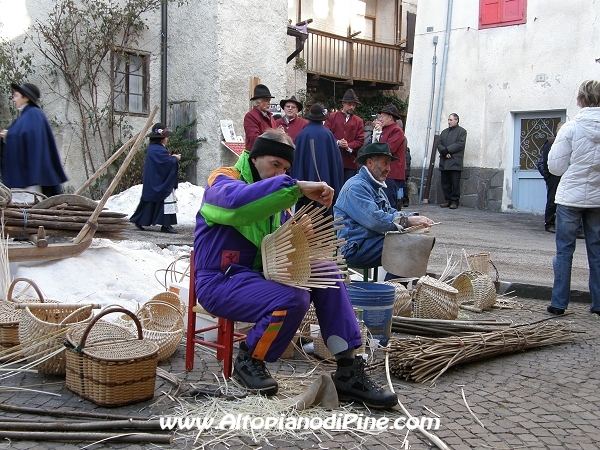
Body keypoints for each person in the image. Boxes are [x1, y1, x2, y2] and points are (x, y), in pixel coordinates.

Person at [193, 129, 398, 408]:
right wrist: (296, 187)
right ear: (255, 157)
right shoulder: (224, 179)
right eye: (275, 164)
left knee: (327, 271)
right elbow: (236, 207)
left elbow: (279, 245)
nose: (279, 173)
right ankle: (249, 359)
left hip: (258, 277)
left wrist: (300, 233)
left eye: (286, 168)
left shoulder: (280, 199)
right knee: (292, 298)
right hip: (219, 281)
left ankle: (348, 369)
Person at [334, 142, 434, 277]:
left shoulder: (375, 187)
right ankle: (394, 292)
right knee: (406, 246)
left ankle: (396, 292)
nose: (388, 168)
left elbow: (390, 212)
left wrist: (414, 217)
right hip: (355, 248)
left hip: (370, 243)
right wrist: (408, 220)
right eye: (384, 163)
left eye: (388, 164)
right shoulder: (356, 187)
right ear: (369, 163)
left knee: (419, 241)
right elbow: (375, 220)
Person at [546, 80, 600, 316]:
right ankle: (598, 304)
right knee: (597, 252)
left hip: (570, 197)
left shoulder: (570, 128)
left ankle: (559, 303)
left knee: (564, 251)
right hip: (598, 198)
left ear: (580, 100)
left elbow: (555, 167)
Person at [0, 82, 67, 197]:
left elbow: (30, 139)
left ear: (25, 98)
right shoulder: (26, 116)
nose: (13, 99)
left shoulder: (34, 115)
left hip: (30, 179)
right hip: (26, 177)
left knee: (27, 208)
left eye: (16, 96)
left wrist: (9, 135)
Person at [291, 103, 344, 215]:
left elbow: (295, 161)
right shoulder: (328, 135)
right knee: (325, 217)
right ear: (322, 120)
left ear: (309, 119)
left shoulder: (301, 135)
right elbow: (337, 162)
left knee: (305, 219)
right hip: (326, 187)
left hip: (305, 187)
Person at [130, 123, 180, 233]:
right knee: (165, 198)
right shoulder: (156, 150)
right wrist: (175, 159)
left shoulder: (154, 149)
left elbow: (162, 162)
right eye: (166, 137)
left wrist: (171, 158)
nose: (167, 139)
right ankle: (166, 225)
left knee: (150, 202)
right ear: (161, 138)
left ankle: (140, 220)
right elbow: (166, 163)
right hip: (158, 181)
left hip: (155, 180)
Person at [324, 89, 365, 183]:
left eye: (354, 105)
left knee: (347, 189)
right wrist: (337, 142)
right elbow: (326, 134)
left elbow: (360, 140)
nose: (352, 107)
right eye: (350, 104)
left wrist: (349, 145)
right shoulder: (332, 117)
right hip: (333, 160)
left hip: (350, 162)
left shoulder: (358, 121)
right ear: (343, 103)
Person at [373, 104, 406, 209]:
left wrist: (378, 134)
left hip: (392, 173)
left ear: (390, 117)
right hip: (384, 171)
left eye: (382, 116)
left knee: (390, 202)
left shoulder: (396, 130)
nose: (380, 119)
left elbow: (389, 149)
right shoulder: (386, 129)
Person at [437, 113, 467, 209]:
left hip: (455, 162)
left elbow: (460, 144)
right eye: (448, 120)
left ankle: (454, 201)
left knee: (455, 183)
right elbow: (439, 144)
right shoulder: (444, 132)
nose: (449, 122)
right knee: (445, 183)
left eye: (451, 120)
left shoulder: (462, 132)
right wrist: (445, 152)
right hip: (445, 161)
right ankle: (448, 200)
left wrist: (448, 150)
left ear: (456, 120)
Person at [244, 84, 277, 151]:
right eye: (266, 100)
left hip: (269, 155)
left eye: (269, 100)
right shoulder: (250, 116)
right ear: (258, 103)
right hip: (257, 156)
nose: (269, 103)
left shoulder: (270, 117)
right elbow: (254, 139)